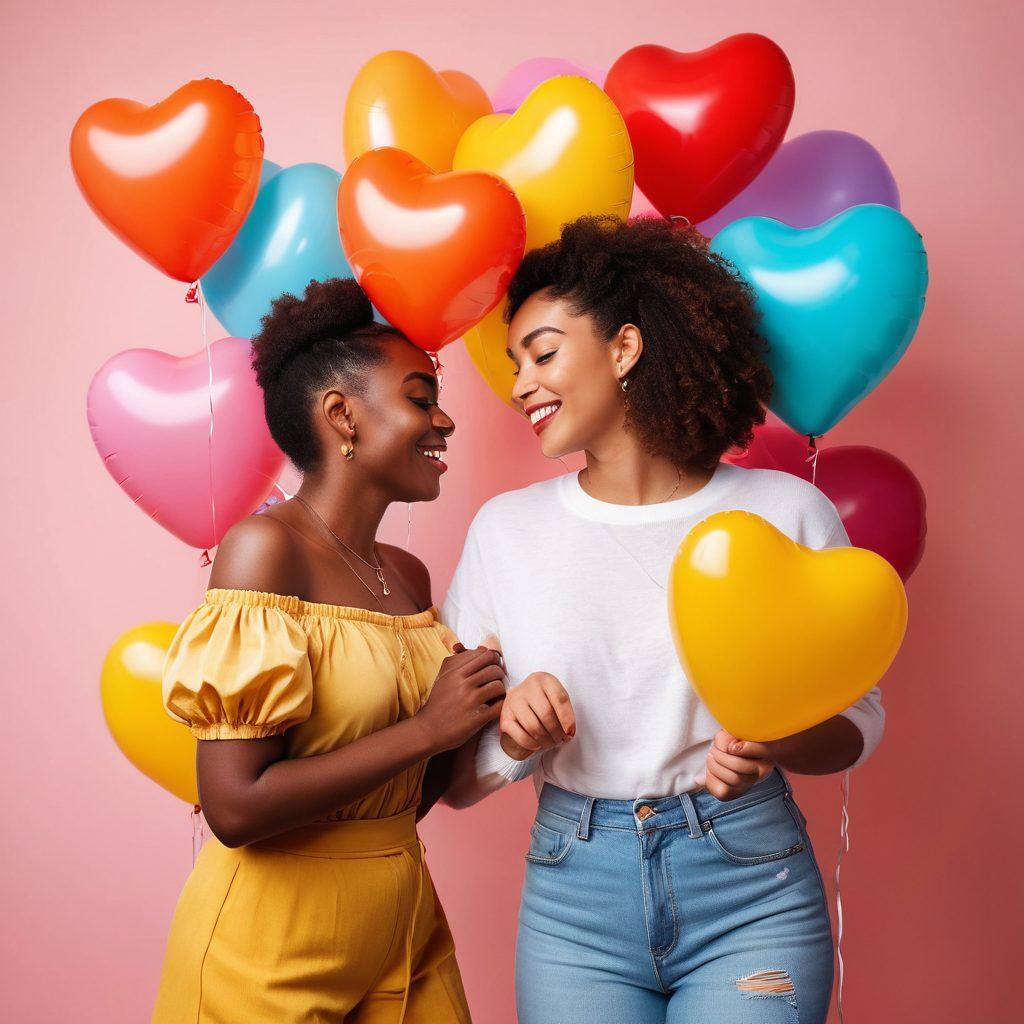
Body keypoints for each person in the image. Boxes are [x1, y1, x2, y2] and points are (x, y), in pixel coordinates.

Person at [442, 216, 885, 1024]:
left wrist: (773, 742)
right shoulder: (505, 532)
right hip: (573, 903)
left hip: (749, 887)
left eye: (542, 354)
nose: (521, 385)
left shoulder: (784, 511)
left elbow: (859, 722)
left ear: (625, 348)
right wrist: (513, 735)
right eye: (514, 365)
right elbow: (455, 780)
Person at [152, 278, 503, 1024]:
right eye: (420, 398)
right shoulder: (263, 549)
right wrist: (430, 728)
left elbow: (404, 798)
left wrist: (492, 718)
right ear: (342, 414)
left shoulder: (407, 576)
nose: (443, 420)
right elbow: (234, 807)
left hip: (403, 927)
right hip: (267, 947)